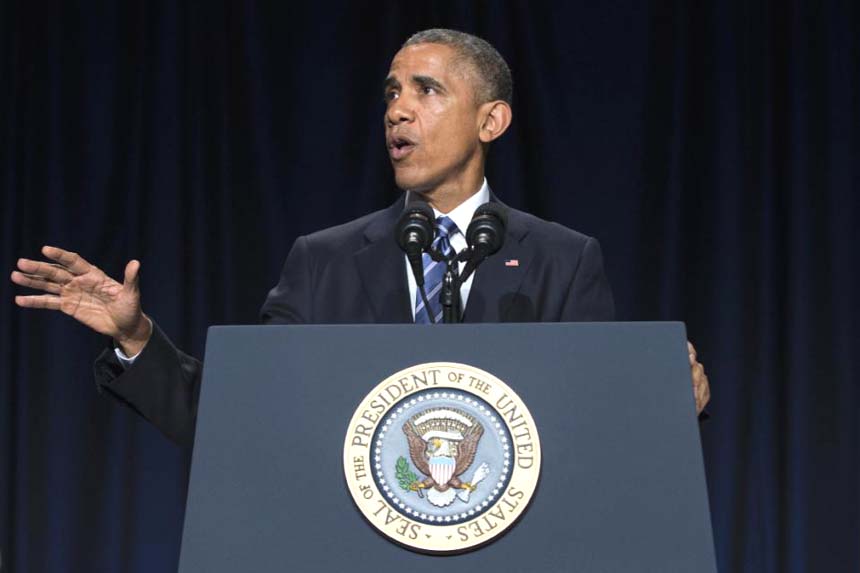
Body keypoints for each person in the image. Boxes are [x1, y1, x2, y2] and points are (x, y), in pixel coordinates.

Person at [10, 29, 710, 448]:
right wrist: (137, 340)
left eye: (426, 90)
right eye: (390, 93)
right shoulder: (323, 261)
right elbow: (238, 420)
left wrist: (665, 408)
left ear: (491, 121)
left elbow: (595, 433)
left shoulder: (562, 259)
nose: (398, 109)